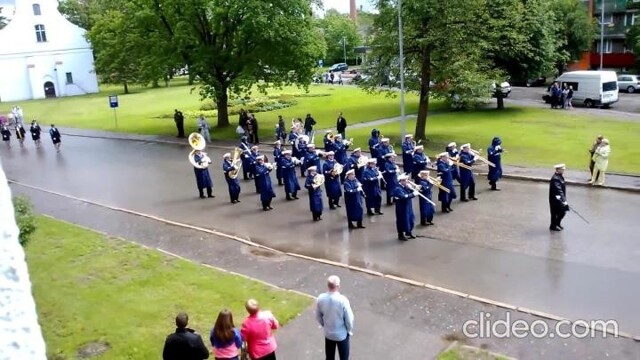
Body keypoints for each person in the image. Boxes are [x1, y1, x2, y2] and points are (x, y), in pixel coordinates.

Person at [315, 275, 354, 360]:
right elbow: (349, 319)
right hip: (342, 334)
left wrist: (324, 324)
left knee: (329, 357)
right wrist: (349, 330)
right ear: (338, 286)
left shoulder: (320, 298)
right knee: (344, 357)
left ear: (328, 285)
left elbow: (318, 316)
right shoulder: (343, 300)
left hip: (328, 333)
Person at [392, 174, 417, 241]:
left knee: (410, 219)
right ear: (401, 181)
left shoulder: (405, 186)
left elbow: (410, 193)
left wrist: (412, 189)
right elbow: (403, 197)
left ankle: (408, 232)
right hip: (401, 207)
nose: (408, 182)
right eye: (406, 181)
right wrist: (413, 194)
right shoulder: (398, 188)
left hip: (408, 205)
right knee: (402, 220)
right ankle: (401, 235)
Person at [549, 164, 569, 231]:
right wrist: (564, 200)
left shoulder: (560, 177)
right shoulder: (555, 178)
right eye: (562, 169)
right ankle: (553, 226)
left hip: (559, 198)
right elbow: (559, 190)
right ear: (558, 169)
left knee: (561, 212)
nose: (563, 170)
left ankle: (557, 223)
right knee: (557, 213)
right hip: (555, 199)